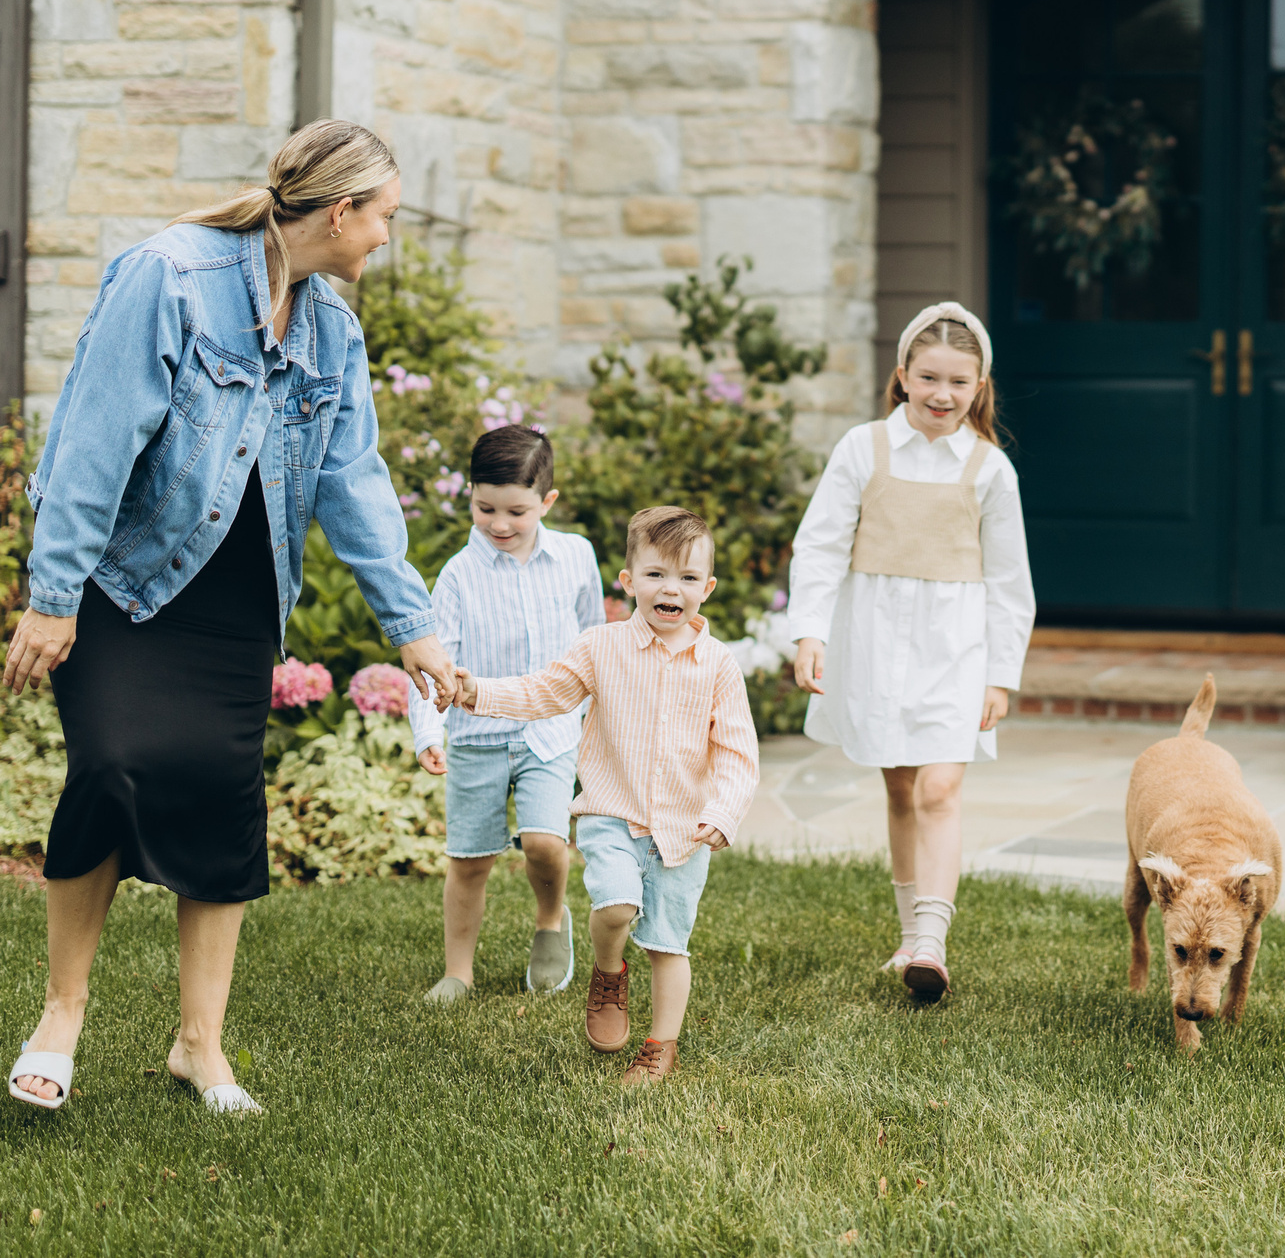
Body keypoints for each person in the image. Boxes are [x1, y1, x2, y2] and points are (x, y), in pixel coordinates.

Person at [0, 120, 453, 1118]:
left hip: (239, 600)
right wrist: (53, 594)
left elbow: (354, 482)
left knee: (216, 796)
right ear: (340, 212)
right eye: (381, 216)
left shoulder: (332, 329)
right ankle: (61, 1014)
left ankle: (198, 1046)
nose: (384, 236)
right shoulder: (169, 278)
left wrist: (412, 624)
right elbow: (91, 440)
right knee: (111, 768)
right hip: (125, 582)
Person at [442, 506, 759, 1087]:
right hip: (612, 813)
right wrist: (475, 693)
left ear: (707, 589)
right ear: (628, 580)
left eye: (688, 579)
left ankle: (660, 1049)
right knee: (614, 907)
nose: (672, 589)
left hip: (684, 831)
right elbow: (544, 693)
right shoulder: (601, 647)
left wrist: (723, 812)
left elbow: (738, 752)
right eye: (658, 574)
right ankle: (608, 970)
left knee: (668, 942)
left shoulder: (718, 665)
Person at [786, 303, 1036, 1002]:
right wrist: (811, 629)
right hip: (873, 639)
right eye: (928, 376)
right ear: (902, 375)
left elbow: (1011, 582)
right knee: (899, 785)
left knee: (940, 786)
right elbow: (821, 543)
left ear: (980, 386)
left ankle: (932, 938)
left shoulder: (991, 471)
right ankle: (907, 936)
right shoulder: (862, 448)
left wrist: (1000, 675)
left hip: (954, 646)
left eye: (959, 381)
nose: (942, 394)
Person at [407, 423, 603, 1005]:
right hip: (476, 738)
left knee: (545, 842)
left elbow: (594, 639)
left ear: (547, 502)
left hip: (550, 731)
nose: (498, 523)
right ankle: (458, 971)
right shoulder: (458, 577)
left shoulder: (575, 557)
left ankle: (550, 921)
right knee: (471, 859)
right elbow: (431, 664)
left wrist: (598, 716)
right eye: (484, 507)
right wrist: (428, 733)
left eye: (515, 511)